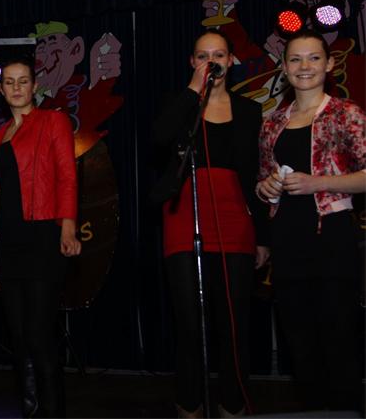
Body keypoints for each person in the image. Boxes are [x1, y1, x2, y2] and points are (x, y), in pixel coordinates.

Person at [151, 30, 270, 418]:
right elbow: (159, 138)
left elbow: (255, 175)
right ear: (192, 62)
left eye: (219, 55)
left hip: (234, 218)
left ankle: (232, 405)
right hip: (184, 215)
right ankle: (189, 403)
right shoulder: (179, 104)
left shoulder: (249, 111)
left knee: (233, 323)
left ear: (231, 61)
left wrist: (262, 236)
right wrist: (193, 89)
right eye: (203, 56)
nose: (211, 62)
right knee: (189, 323)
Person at [256, 29, 366, 412]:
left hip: (332, 237)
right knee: (299, 344)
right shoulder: (271, 123)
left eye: (314, 57)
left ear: (329, 64)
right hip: (287, 241)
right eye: (296, 59)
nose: (305, 66)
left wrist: (318, 182)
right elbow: (263, 181)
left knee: (339, 340)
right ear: (285, 68)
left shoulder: (346, 114)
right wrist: (266, 188)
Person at [0, 56, 81, 418]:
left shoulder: (53, 121)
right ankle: (31, 410)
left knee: (40, 336)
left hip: (42, 236)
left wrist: (67, 225)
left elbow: (67, 175)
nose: (16, 88)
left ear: (34, 86)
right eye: (9, 82)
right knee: (19, 338)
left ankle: (53, 412)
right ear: (0, 89)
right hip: (8, 245)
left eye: (23, 81)